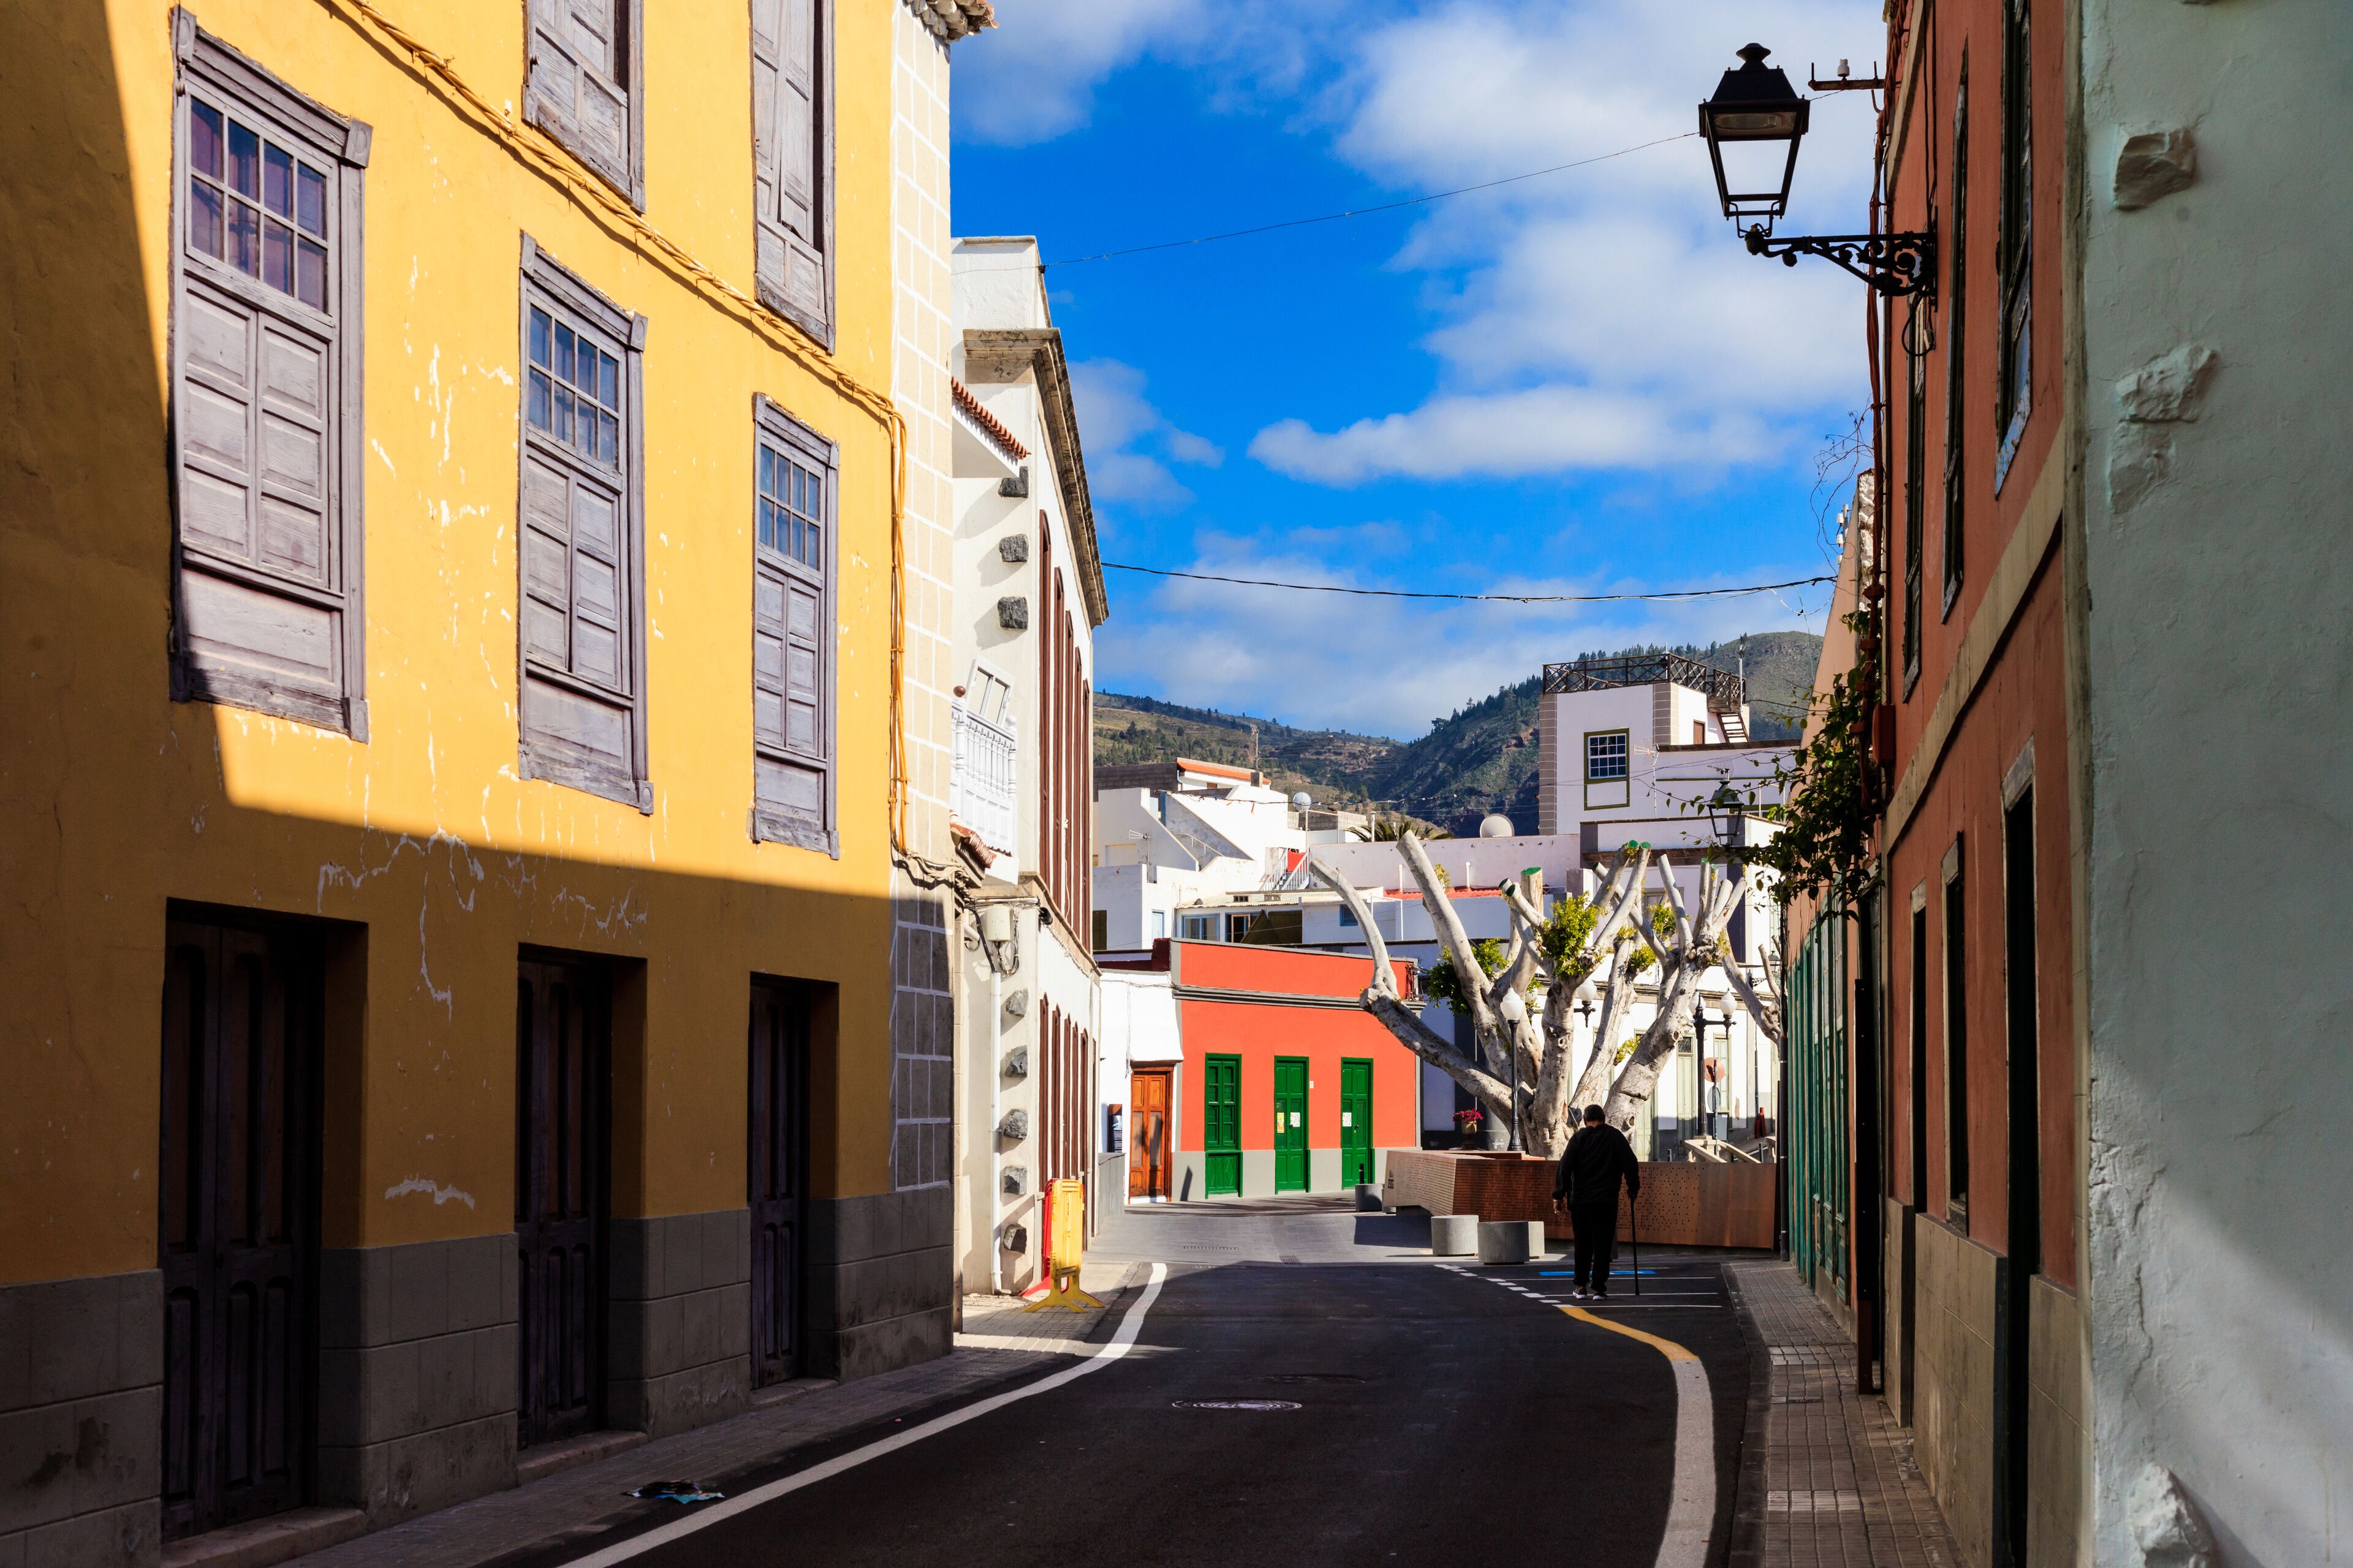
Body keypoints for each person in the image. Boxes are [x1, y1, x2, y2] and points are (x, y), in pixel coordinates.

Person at [1552, 1104, 1640, 1300]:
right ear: (1604, 1118)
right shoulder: (1615, 1137)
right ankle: (1599, 1287)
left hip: (1581, 1201)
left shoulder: (1578, 1138)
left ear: (1584, 1120)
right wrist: (1633, 1187)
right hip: (1607, 1201)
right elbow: (1631, 1163)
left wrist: (1559, 1196)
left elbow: (1564, 1168)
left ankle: (1581, 1286)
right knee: (1603, 1244)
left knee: (1582, 1244)